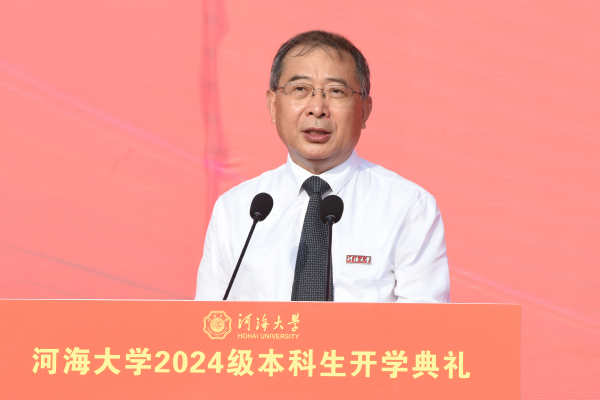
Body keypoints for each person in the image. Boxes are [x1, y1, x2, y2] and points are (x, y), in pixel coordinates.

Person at [195, 30, 450, 302]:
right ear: (273, 105)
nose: (317, 108)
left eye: (336, 91)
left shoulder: (409, 208)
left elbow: (424, 325)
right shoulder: (237, 211)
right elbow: (209, 321)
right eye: (300, 89)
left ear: (364, 110)